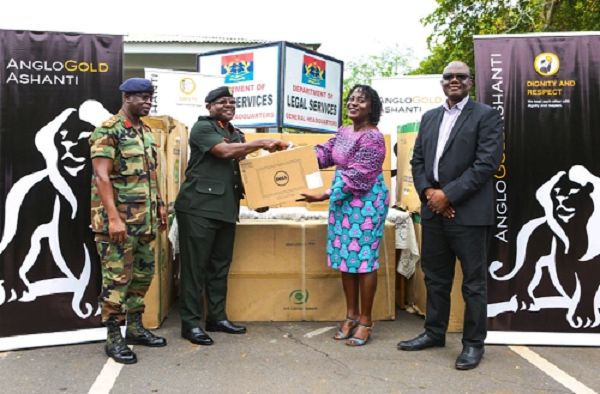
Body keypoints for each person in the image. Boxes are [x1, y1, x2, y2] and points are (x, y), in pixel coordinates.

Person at [397, 61, 503, 370]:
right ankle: (434, 332)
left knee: (473, 283)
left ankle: (473, 344)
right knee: (436, 277)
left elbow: (486, 164)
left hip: (468, 214)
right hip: (434, 212)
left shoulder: (486, 116)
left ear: (471, 82)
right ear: (442, 83)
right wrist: (430, 193)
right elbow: (417, 161)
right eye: (449, 77)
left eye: (461, 76)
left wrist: (448, 195)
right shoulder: (430, 117)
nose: (454, 80)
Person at [175, 86, 288, 346]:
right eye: (222, 101)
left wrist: (258, 198)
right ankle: (190, 324)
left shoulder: (236, 133)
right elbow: (223, 152)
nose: (228, 105)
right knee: (194, 269)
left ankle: (216, 317)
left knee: (219, 266)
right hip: (198, 208)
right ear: (209, 106)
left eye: (232, 102)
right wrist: (260, 142)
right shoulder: (202, 128)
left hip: (226, 208)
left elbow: (243, 171)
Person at [302, 84, 389, 347]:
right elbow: (325, 154)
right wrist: (292, 153)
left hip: (365, 202)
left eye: (361, 101)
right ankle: (350, 316)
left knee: (363, 260)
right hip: (343, 201)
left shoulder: (373, 137)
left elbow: (360, 174)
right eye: (351, 99)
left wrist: (325, 194)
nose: (353, 103)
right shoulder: (344, 131)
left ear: (372, 107)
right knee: (345, 257)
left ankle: (365, 320)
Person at [90, 78, 168, 365]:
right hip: (120, 222)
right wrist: (113, 218)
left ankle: (135, 328)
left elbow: (150, 175)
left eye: (150, 97)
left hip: (144, 221)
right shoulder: (108, 130)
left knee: (142, 276)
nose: (148, 102)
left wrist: (159, 205)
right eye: (142, 97)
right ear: (126, 97)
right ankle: (113, 338)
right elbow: (101, 176)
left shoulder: (146, 133)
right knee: (116, 281)